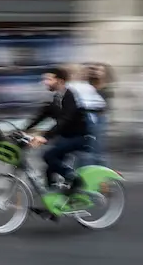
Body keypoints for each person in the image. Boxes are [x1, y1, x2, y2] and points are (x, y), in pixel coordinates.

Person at [25, 66, 105, 195]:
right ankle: (53, 204)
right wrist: (24, 130)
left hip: (79, 138)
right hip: (67, 137)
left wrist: (45, 137)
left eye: (49, 79)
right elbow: (43, 115)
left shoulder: (69, 96)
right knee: (50, 169)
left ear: (60, 81)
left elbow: (65, 119)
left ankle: (75, 179)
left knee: (48, 155)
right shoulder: (57, 97)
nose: (45, 82)